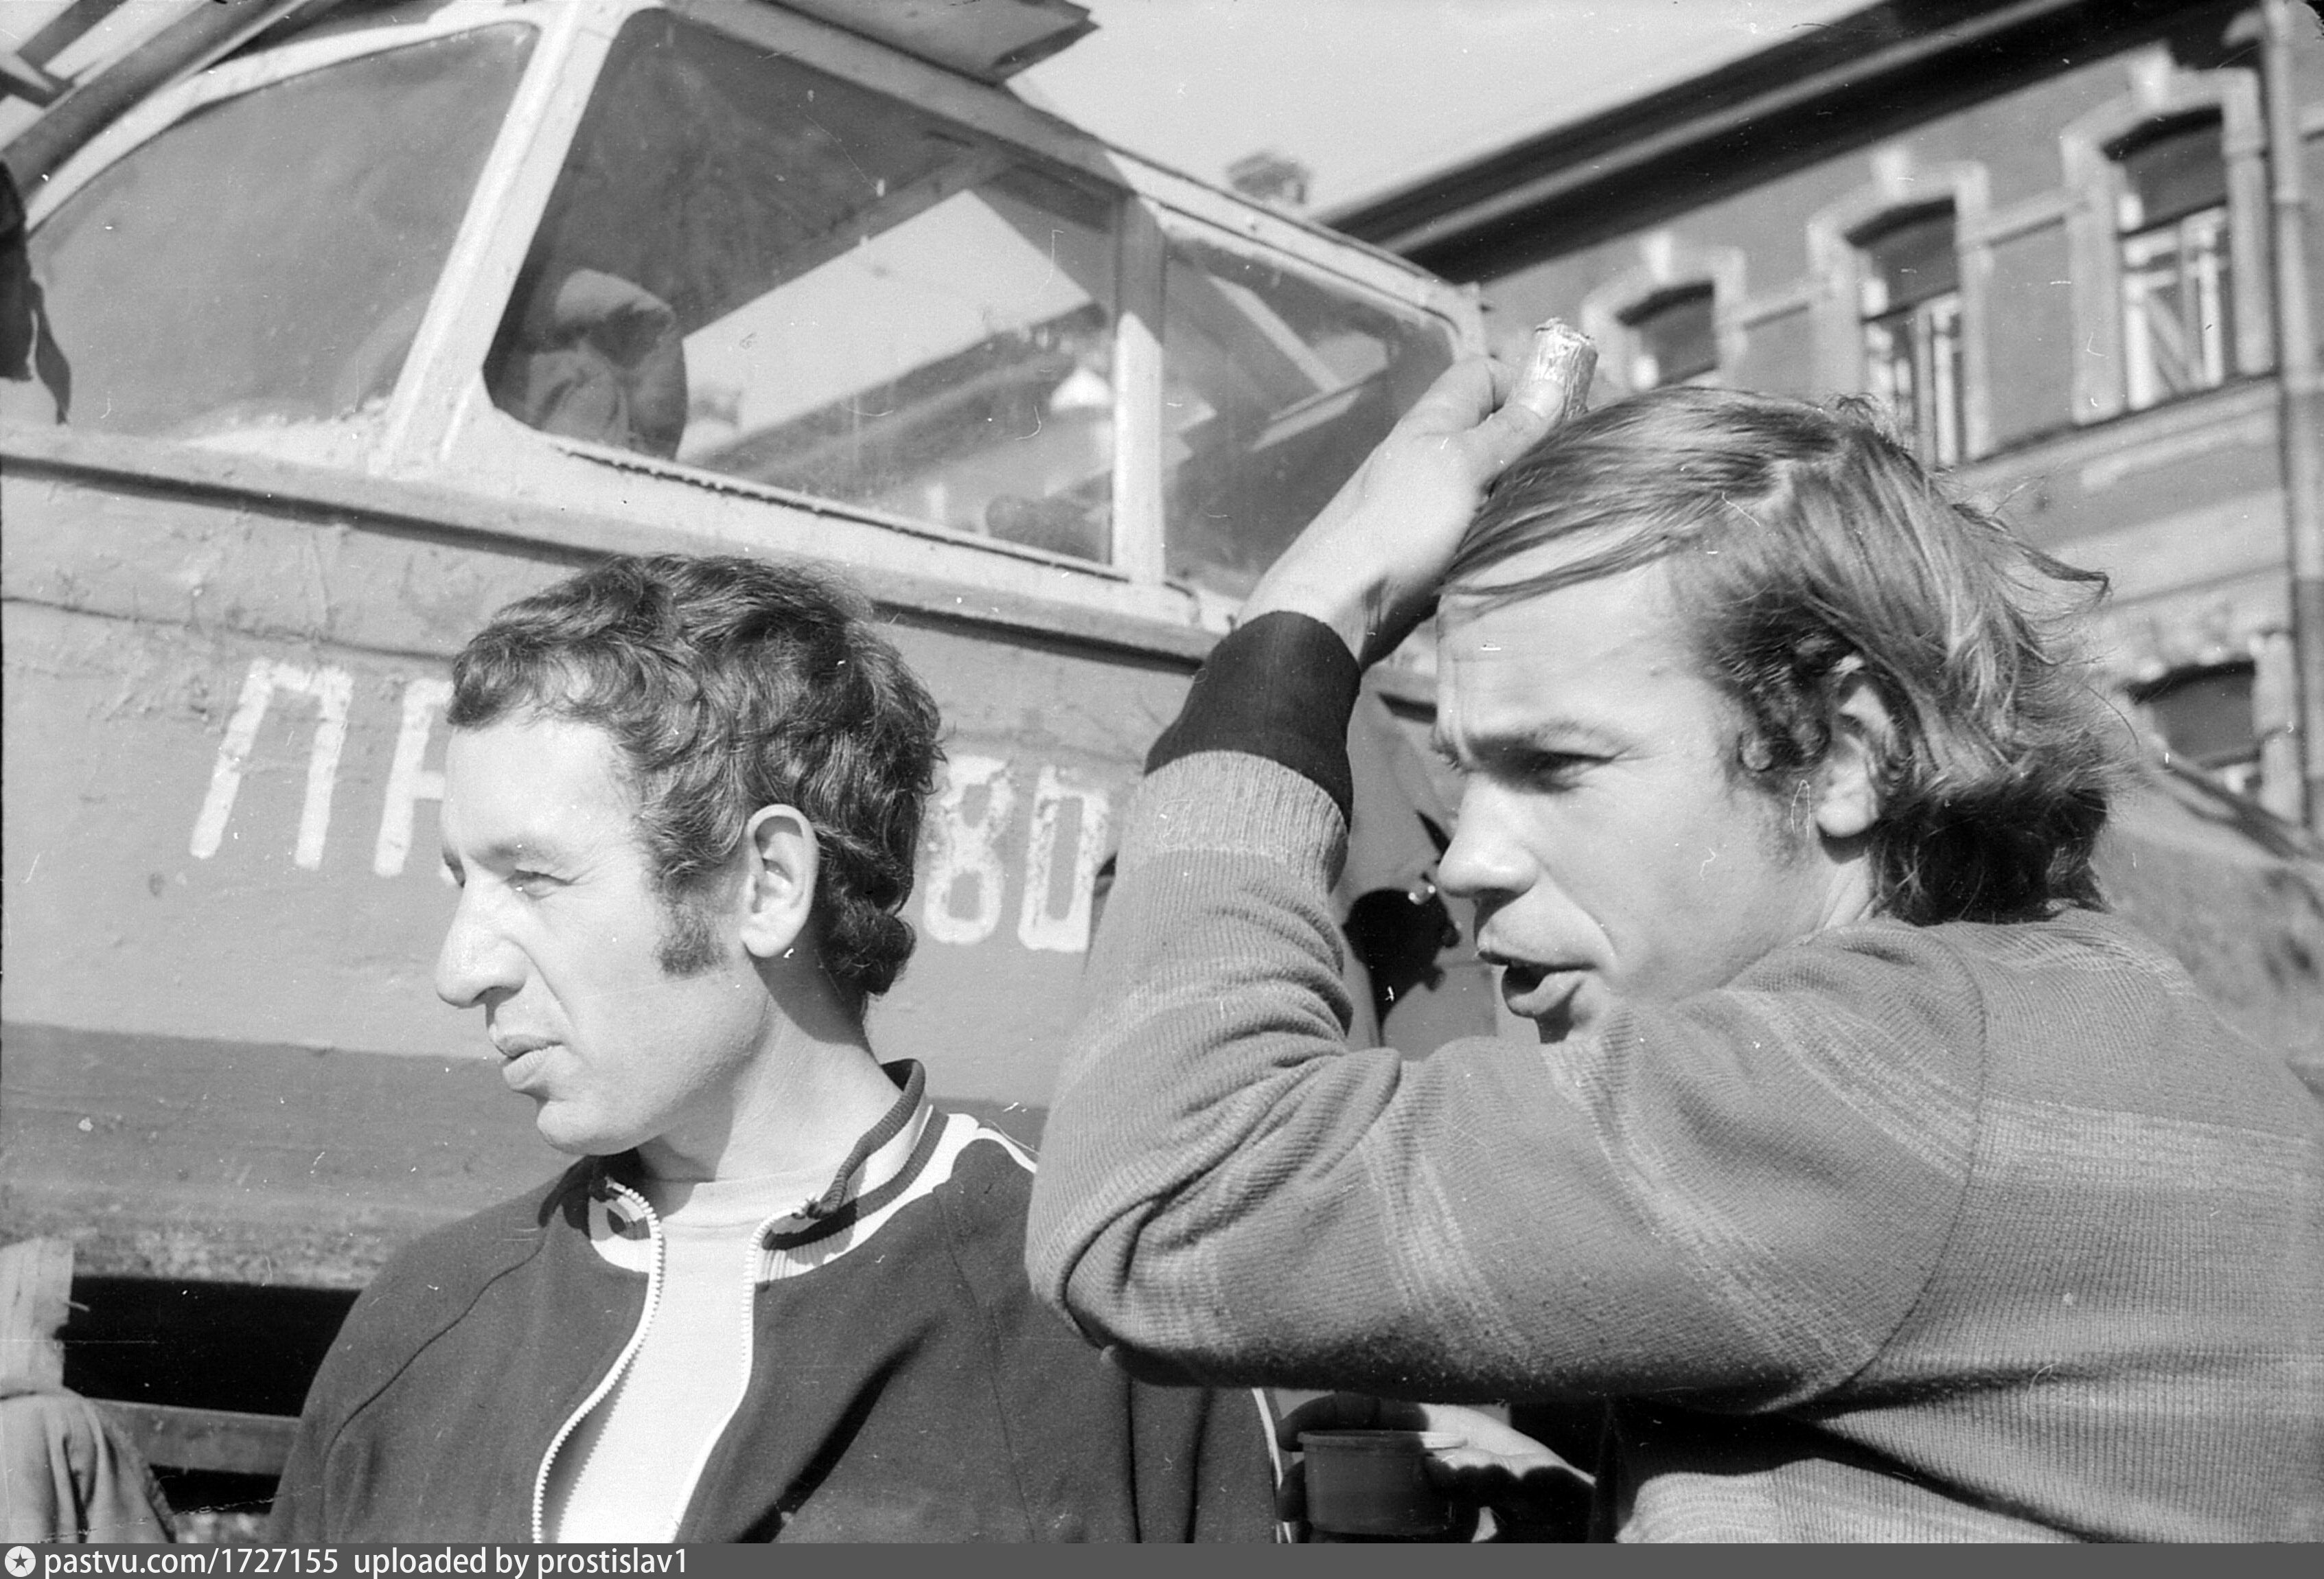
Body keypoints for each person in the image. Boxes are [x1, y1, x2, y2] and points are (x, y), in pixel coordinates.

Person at [1024, 356, 2324, 1542]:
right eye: (1470, 774)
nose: (1465, 861)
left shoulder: (1886, 1078)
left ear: (1846, 754)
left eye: (1557, 765)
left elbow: (1166, 1198)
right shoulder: (2042, 1029)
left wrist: (1306, 614)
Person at [269, 555, 1278, 1543]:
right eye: (464, 882)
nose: (459, 970)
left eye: (532, 880)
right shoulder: (422, 1320)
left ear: (768, 883)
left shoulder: (1094, 1336)